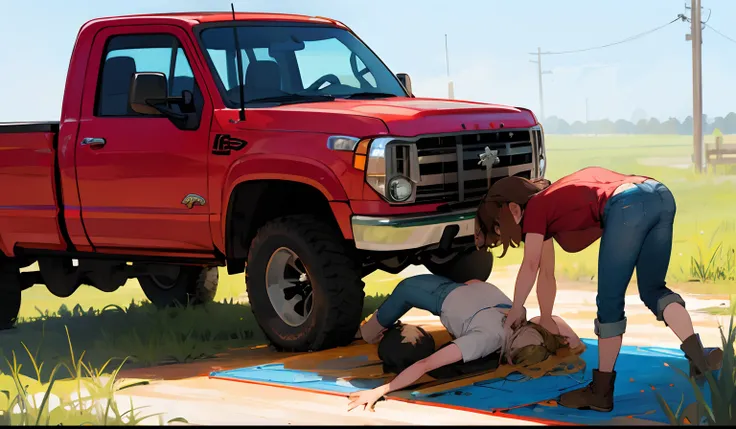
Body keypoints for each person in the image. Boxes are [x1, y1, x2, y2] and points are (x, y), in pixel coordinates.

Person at [474, 166, 724, 412]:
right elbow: (545, 272)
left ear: (512, 209)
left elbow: (530, 265)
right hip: (659, 194)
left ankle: (600, 392)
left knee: (610, 302)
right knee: (653, 289)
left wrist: (517, 309)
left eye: (499, 227)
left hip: (628, 205)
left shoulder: (537, 208)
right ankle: (698, 356)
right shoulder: (552, 202)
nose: (503, 234)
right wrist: (546, 316)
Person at [348, 274, 580, 412]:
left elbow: (557, 324)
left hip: (473, 290)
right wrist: (382, 389)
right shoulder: (487, 339)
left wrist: (565, 342)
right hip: (444, 293)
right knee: (380, 321)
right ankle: (367, 332)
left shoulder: (524, 320)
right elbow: (425, 364)